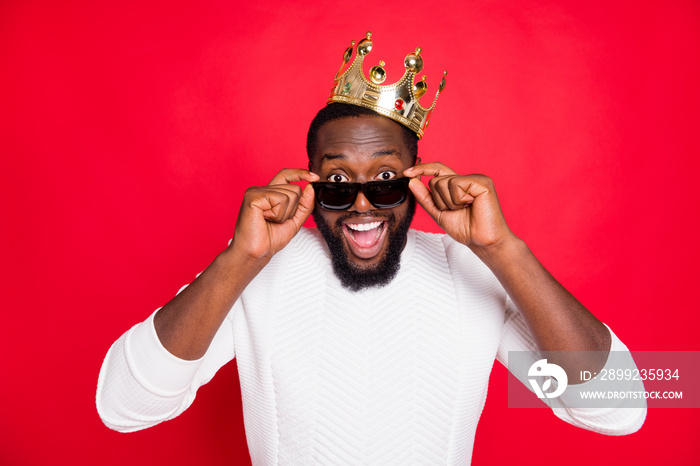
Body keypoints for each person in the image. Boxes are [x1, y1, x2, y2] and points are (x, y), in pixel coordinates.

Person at [96, 32, 645, 465]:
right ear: (308, 185)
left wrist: (503, 250)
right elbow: (124, 406)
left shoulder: (469, 271)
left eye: (385, 178)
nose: (363, 205)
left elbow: (622, 407)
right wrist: (239, 259)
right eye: (338, 182)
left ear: (415, 181)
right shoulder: (259, 271)